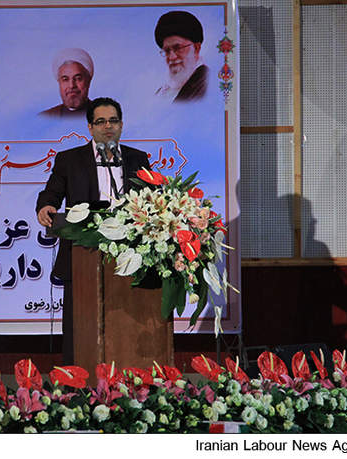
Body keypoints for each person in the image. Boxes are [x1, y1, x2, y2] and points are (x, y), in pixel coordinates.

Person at [36, 97, 151, 363]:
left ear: (121, 125)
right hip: (83, 256)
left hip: (129, 255)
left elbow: (153, 196)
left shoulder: (137, 159)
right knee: (79, 328)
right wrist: (46, 207)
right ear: (90, 127)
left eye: (113, 121)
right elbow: (51, 193)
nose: (107, 126)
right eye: (100, 122)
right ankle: (76, 378)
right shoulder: (69, 160)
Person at [154, 10, 208, 102]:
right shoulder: (162, 92)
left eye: (178, 48)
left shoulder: (205, 84)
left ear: (196, 48)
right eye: (167, 51)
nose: (172, 57)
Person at [39, 48, 93, 118]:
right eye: (65, 79)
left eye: (78, 78)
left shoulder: (104, 115)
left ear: (88, 80)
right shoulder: (45, 117)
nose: (71, 85)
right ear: (59, 82)